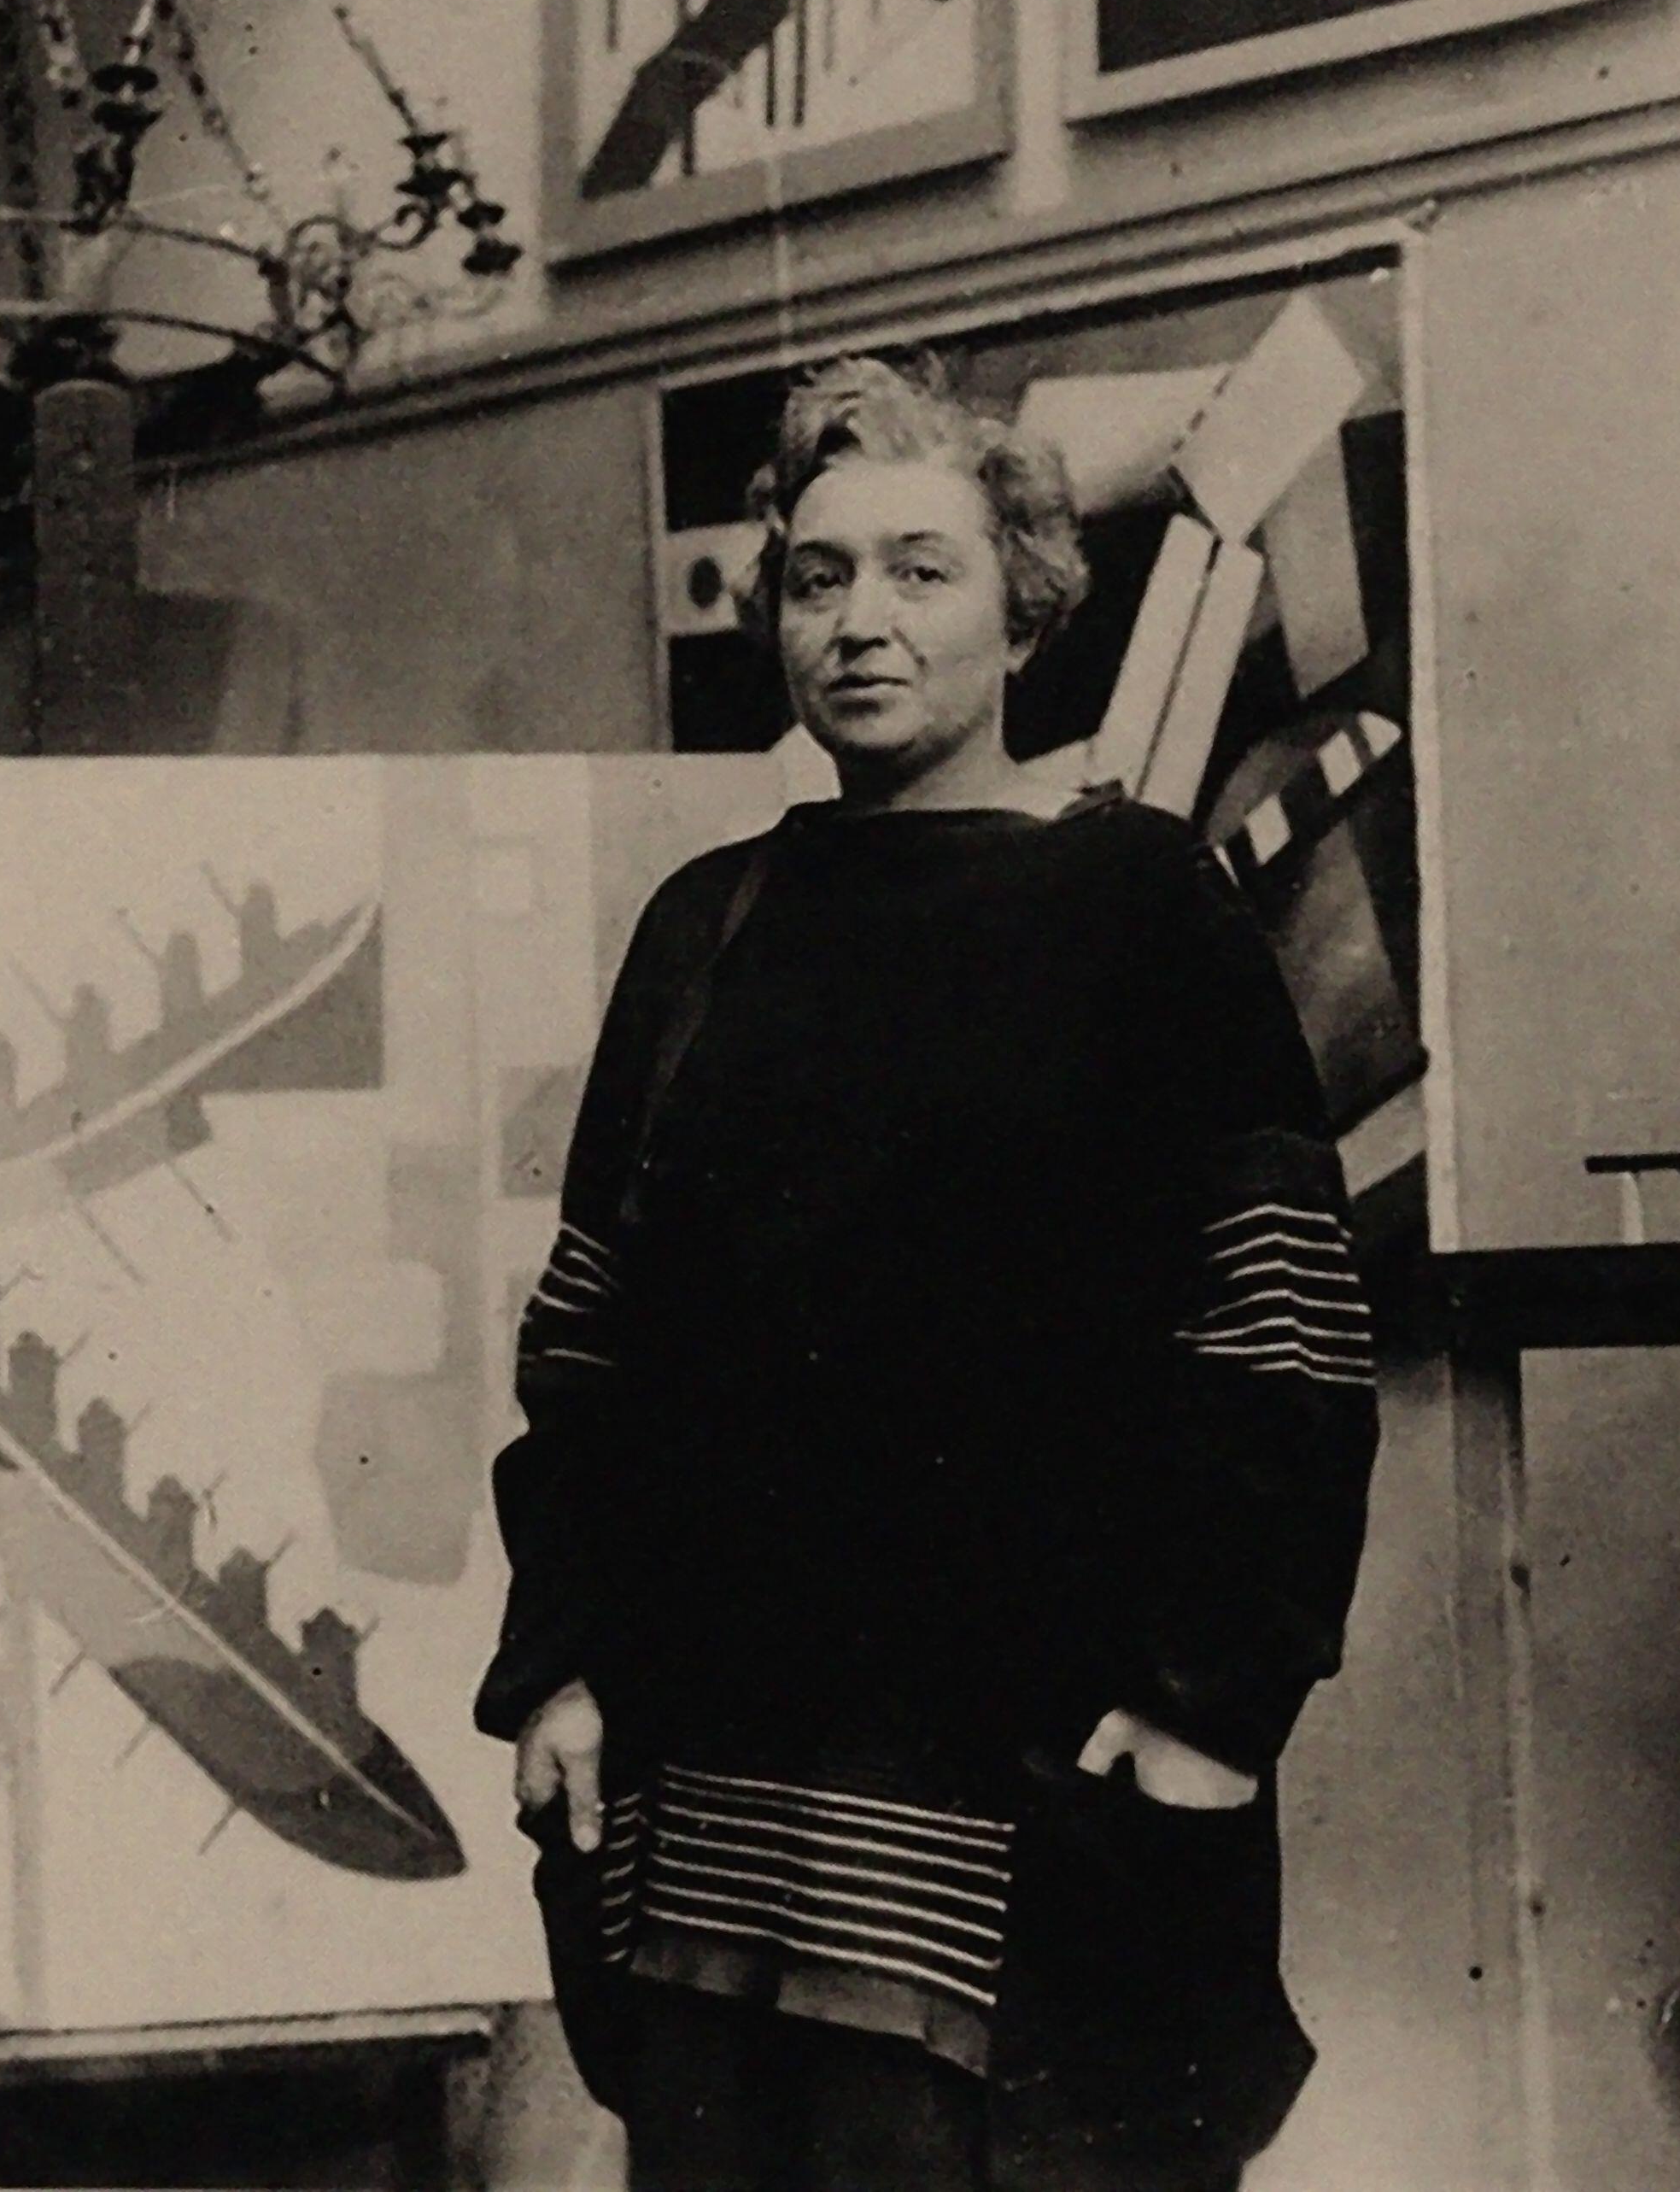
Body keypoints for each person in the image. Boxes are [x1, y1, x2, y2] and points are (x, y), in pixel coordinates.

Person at [475, 352, 1380, 2192]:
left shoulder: (1140, 907)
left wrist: (1213, 1709)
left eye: (921, 570)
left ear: (1026, 608)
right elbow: (591, 1345)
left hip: (1022, 1804)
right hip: (711, 1801)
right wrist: (561, 1661)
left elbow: (1280, 1326)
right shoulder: (704, 924)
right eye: (820, 577)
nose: (861, 624)